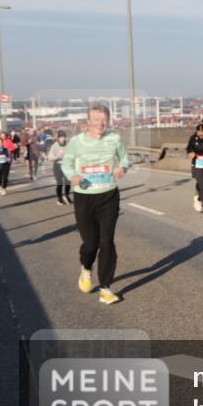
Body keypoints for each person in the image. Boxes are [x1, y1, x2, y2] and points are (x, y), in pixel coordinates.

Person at [61, 104, 129, 305]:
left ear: (108, 121)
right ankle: (86, 267)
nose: (100, 123)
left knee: (107, 242)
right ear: (88, 122)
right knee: (91, 244)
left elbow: (125, 159)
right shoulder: (76, 142)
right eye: (96, 119)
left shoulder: (115, 139)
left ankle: (105, 288)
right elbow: (66, 163)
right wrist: (72, 175)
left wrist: (121, 168)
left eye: (103, 119)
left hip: (108, 195)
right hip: (84, 197)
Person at [47, 130, 72, 205]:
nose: (62, 139)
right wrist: (57, 156)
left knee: (68, 182)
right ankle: (59, 198)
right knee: (59, 183)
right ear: (58, 138)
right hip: (57, 166)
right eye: (61, 137)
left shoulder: (68, 144)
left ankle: (66, 196)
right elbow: (50, 158)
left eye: (63, 137)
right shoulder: (54, 146)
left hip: (66, 166)